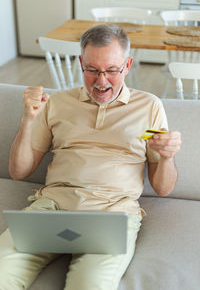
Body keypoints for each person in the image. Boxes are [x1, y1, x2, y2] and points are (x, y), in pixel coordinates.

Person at [0, 24, 181, 290]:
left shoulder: (149, 107)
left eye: (111, 70)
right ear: (81, 64)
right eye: (92, 70)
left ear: (127, 65)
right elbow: (19, 172)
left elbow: (163, 188)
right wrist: (27, 120)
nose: (101, 81)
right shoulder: (58, 103)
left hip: (113, 213)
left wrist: (166, 157)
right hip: (52, 208)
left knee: (90, 285)